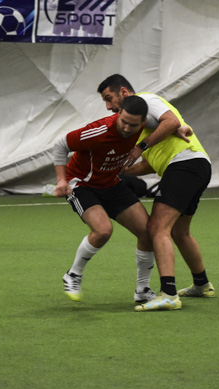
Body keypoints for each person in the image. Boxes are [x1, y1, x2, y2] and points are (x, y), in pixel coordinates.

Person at [97, 74, 214, 312]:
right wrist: (121, 171)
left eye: (109, 98)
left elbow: (171, 121)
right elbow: (150, 164)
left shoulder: (145, 100)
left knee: (157, 228)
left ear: (124, 92)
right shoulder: (141, 125)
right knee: (179, 231)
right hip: (194, 166)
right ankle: (202, 284)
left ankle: (169, 294)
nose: (108, 106)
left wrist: (140, 147)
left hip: (185, 165)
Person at [54, 95, 157, 304]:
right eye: (123, 122)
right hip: (81, 184)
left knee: (148, 232)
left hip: (111, 183)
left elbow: (167, 124)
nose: (127, 128)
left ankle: (142, 290)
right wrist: (61, 180)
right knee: (103, 231)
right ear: (119, 114)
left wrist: (178, 130)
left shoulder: (146, 124)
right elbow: (61, 144)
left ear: (143, 122)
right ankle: (73, 274)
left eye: (133, 125)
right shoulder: (99, 130)